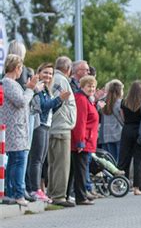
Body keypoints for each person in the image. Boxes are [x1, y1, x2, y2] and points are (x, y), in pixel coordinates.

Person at [27, 63, 70, 202]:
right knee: (36, 159)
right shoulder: (38, 88)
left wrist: (59, 102)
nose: (48, 76)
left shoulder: (47, 89)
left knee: (41, 159)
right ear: (39, 73)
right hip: (38, 125)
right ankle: (34, 189)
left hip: (46, 125)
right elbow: (42, 107)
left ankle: (36, 189)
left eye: (50, 73)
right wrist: (59, 99)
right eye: (45, 72)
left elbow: (51, 109)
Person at [0, 54, 39, 206]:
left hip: (17, 129)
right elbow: (21, 102)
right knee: (19, 160)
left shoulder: (11, 83)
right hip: (15, 130)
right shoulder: (9, 83)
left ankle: (13, 192)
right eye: (20, 68)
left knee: (15, 161)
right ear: (17, 68)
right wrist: (30, 89)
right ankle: (17, 193)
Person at [48, 56, 77, 207]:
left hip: (56, 126)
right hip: (60, 127)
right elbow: (59, 101)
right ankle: (58, 195)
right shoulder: (61, 80)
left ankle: (52, 193)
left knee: (54, 164)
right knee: (61, 164)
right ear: (68, 69)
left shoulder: (56, 78)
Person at [71, 76, 99, 205]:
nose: (91, 89)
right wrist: (80, 141)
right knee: (81, 170)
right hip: (83, 141)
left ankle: (80, 194)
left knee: (81, 169)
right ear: (82, 86)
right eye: (89, 86)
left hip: (88, 139)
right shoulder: (81, 99)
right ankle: (81, 196)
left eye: (93, 86)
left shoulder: (88, 100)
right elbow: (80, 122)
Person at [118, 80, 141, 195]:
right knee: (138, 160)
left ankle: (121, 184)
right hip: (139, 131)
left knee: (124, 158)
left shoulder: (124, 102)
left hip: (127, 129)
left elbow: (122, 116)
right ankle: (137, 187)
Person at [99, 79, 124, 162]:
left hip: (105, 135)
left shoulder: (103, 102)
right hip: (117, 135)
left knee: (108, 161)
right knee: (117, 160)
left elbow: (98, 109)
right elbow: (122, 120)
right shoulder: (119, 103)